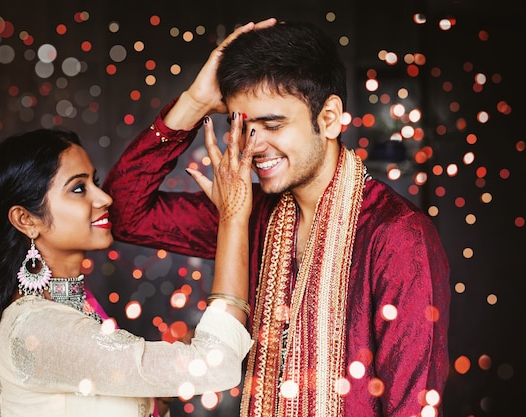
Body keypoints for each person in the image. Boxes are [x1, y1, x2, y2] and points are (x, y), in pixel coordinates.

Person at [104, 18, 451, 417]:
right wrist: (195, 102)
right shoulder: (248, 217)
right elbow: (123, 210)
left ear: (329, 117)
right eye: (243, 128)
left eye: (273, 125)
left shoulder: (396, 234)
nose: (255, 146)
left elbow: (412, 404)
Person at [0, 123, 256, 417]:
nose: (104, 198)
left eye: (94, 183)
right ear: (26, 220)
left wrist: (164, 382)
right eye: (78, 188)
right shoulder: (36, 329)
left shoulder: (75, 309)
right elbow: (216, 363)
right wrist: (233, 217)